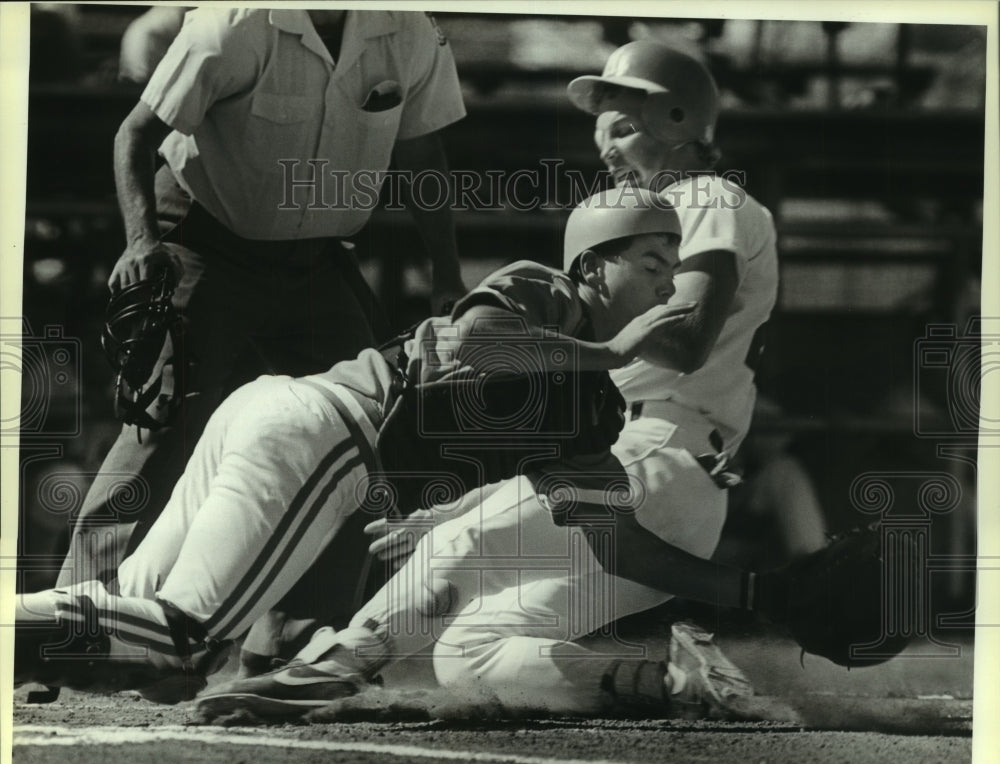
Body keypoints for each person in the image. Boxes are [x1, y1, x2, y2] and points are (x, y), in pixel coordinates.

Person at [193, 40, 783, 720]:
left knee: (454, 551)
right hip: (666, 477)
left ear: (679, 119)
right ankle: (679, 682)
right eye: (602, 134)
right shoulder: (677, 224)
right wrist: (468, 504)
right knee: (470, 650)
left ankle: (324, 675)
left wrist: (600, 348)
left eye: (622, 127)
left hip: (661, 455)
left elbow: (685, 339)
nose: (608, 152)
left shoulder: (702, 194)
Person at [16, 189, 703, 705]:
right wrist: (611, 348)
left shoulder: (599, 402)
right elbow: (478, 342)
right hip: (326, 433)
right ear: (591, 266)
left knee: (154, 647)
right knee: (181, 633)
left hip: (285, 422)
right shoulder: (552, 292)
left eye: (674, 271)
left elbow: (616, 537)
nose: (668, 286)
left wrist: (754, 590)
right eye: (650, 263)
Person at [56, 8, 468, 595]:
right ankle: (79, 614)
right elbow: (135, 134)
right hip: (205, 239)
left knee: (358, 431)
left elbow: (424, 152)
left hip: (316, 260)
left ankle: (291, 641)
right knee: (161, 421)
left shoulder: (409, 30)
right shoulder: (232, 26)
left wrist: (446, 272)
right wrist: (142, 240)